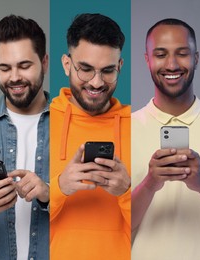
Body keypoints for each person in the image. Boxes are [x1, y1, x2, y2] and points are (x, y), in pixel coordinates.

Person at [49, 13, 131, 260]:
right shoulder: (40, 122)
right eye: (85, 69)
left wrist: (126, 192)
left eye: (107, 71)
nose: (96, 83)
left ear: (120, 67)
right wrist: (59, 188)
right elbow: (17, 223)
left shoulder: (139, 126)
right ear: (66, 64)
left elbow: (157, 230)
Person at [0, 15, 49, 260]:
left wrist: (49, 195)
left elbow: (90, 215)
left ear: (44, 62)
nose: (14, 77)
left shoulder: (72, 126)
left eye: (24, 66)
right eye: (5, 68)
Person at [131, 18, 200, 260]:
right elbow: (114, 226)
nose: (172, 64)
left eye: (182, 53)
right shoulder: (126, 128)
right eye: (161, 54)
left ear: (196, 58)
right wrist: (150, 184)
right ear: (147, 60)